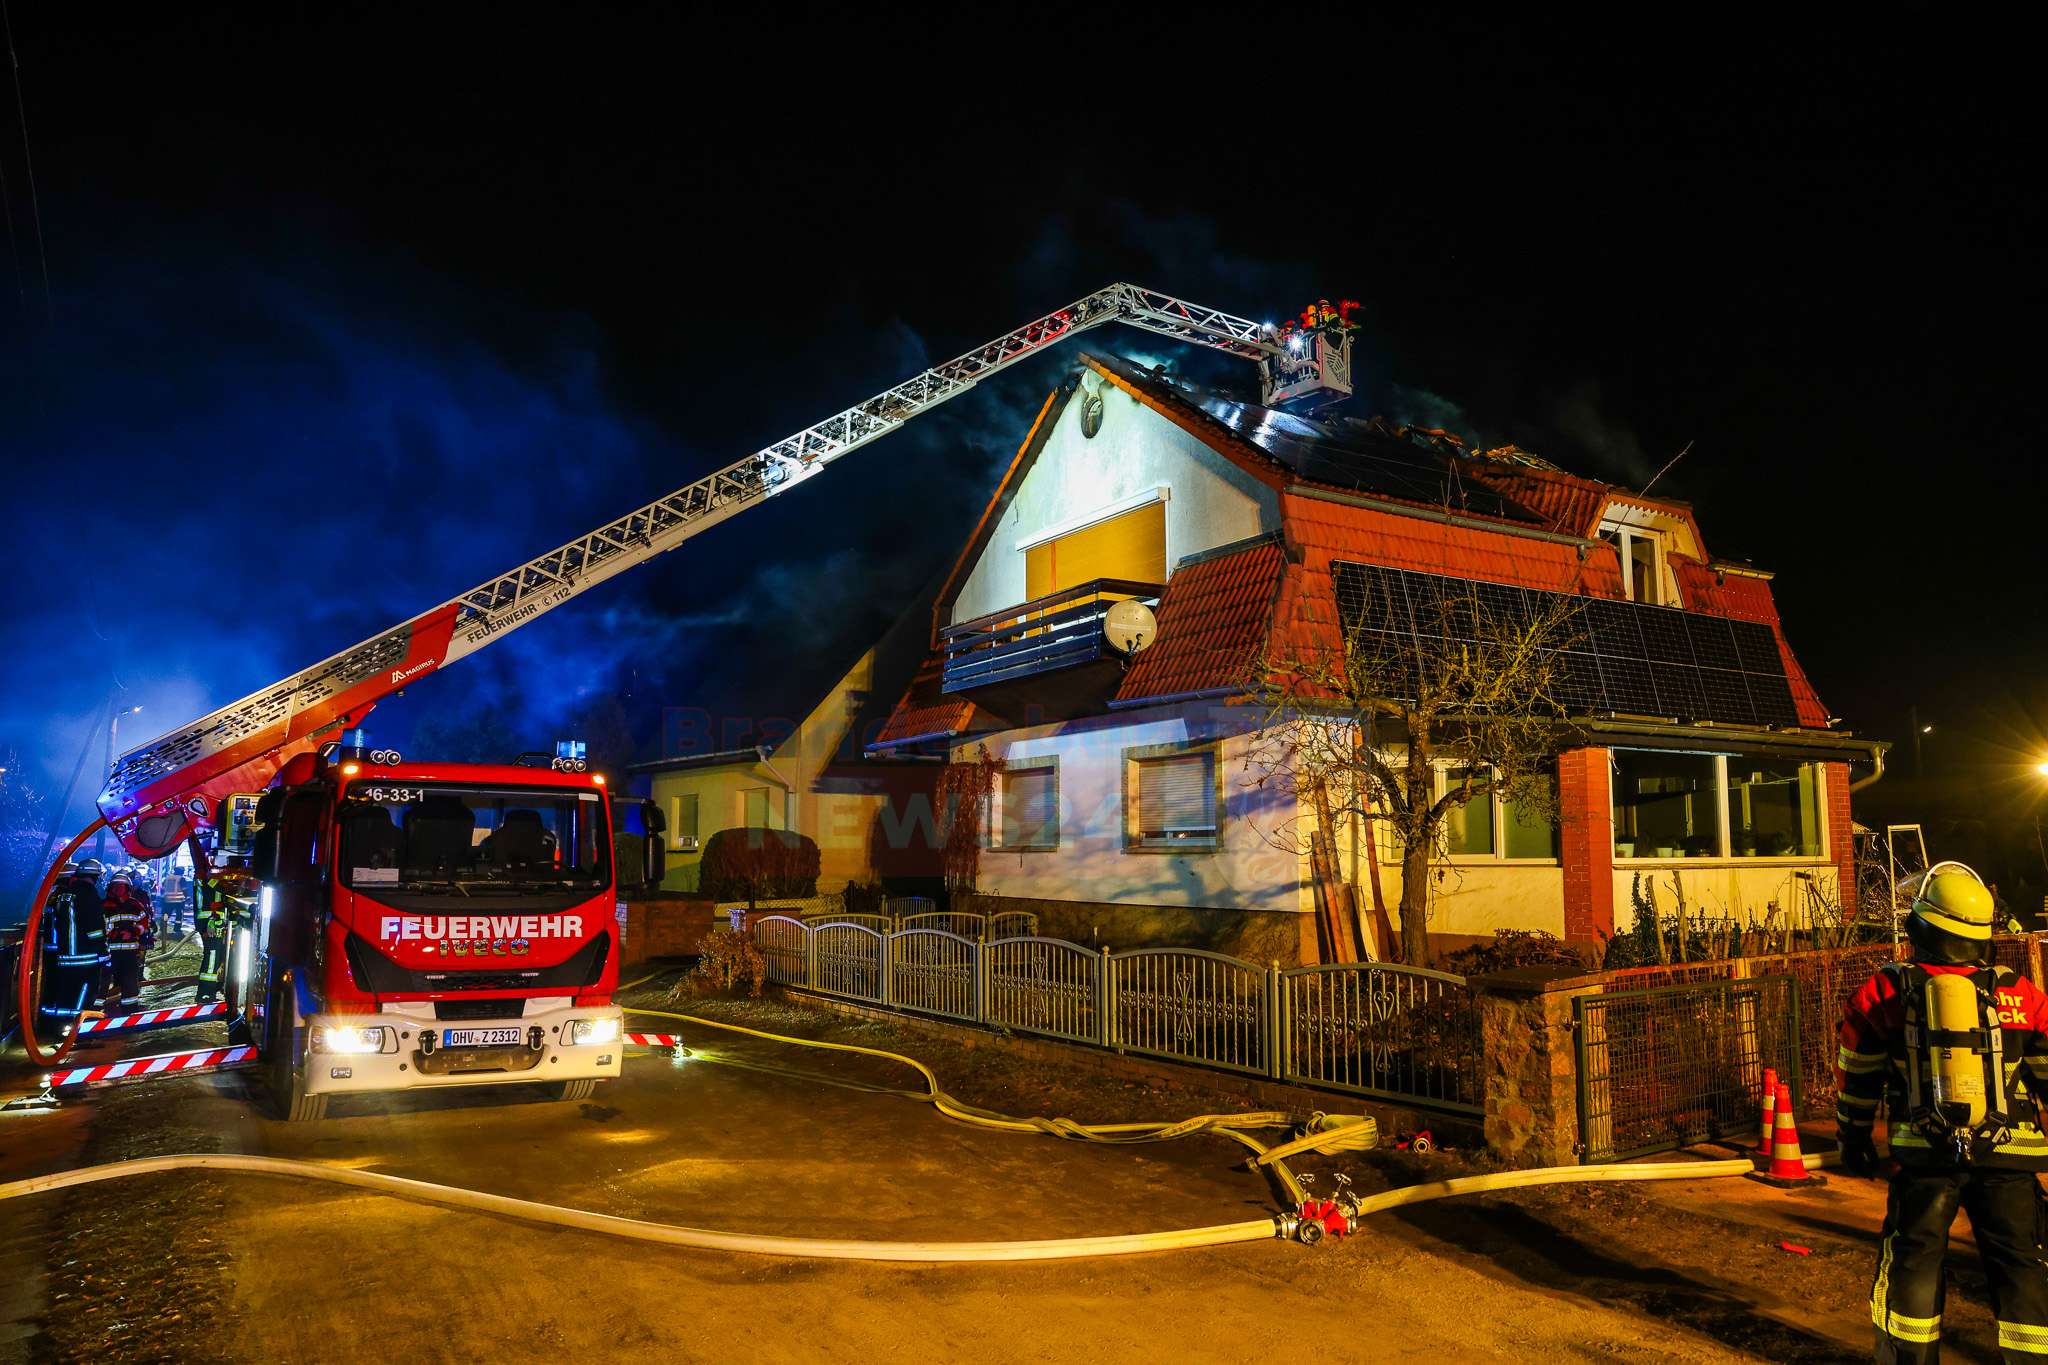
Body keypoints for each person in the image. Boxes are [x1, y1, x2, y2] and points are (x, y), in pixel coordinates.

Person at [1836, 861, 2048, 1362]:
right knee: (2021, 1265)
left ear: (1919, 926)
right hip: (2009, 1161)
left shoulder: (1884, 990)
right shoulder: (2019, 993)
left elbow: (1858, 1075)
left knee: (1915, 1259)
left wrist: (1855, 1138)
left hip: (1925, 1159)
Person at [40, 859, 108, 1025]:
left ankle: (59, 1028)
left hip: (63, 956)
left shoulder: (63, 895)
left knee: (66, 994)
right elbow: (95, 929)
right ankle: (77, 1032)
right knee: (84, 994)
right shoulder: (89, 894)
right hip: (85, 957)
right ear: (96, 876)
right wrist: (103, 952)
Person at [102, 871, 155, 1004]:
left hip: (130, 951)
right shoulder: (104, 905)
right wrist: (114, 934)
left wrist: (133, 932)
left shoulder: (135, 905)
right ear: (111, 887)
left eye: (122, 886)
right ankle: (97, 1011)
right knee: (103, 982)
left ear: (127, 888)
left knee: (130, 982)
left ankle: (129, 1010)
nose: (118, 889)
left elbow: (144, 923)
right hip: (108, 952)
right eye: (116, 886)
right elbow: (99, 926)